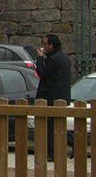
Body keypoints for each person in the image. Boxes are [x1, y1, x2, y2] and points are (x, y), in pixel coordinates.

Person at [35, 33, 72, 161]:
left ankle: (52, 153)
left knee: (51, 127)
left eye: (46, 44)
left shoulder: (54, 59)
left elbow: (42, 73)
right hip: (61, 97)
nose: (44, 46)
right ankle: (73, 142)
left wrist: (40, 59)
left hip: (51, 97)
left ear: (51, 45)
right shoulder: (64, 58)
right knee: (59, 125)